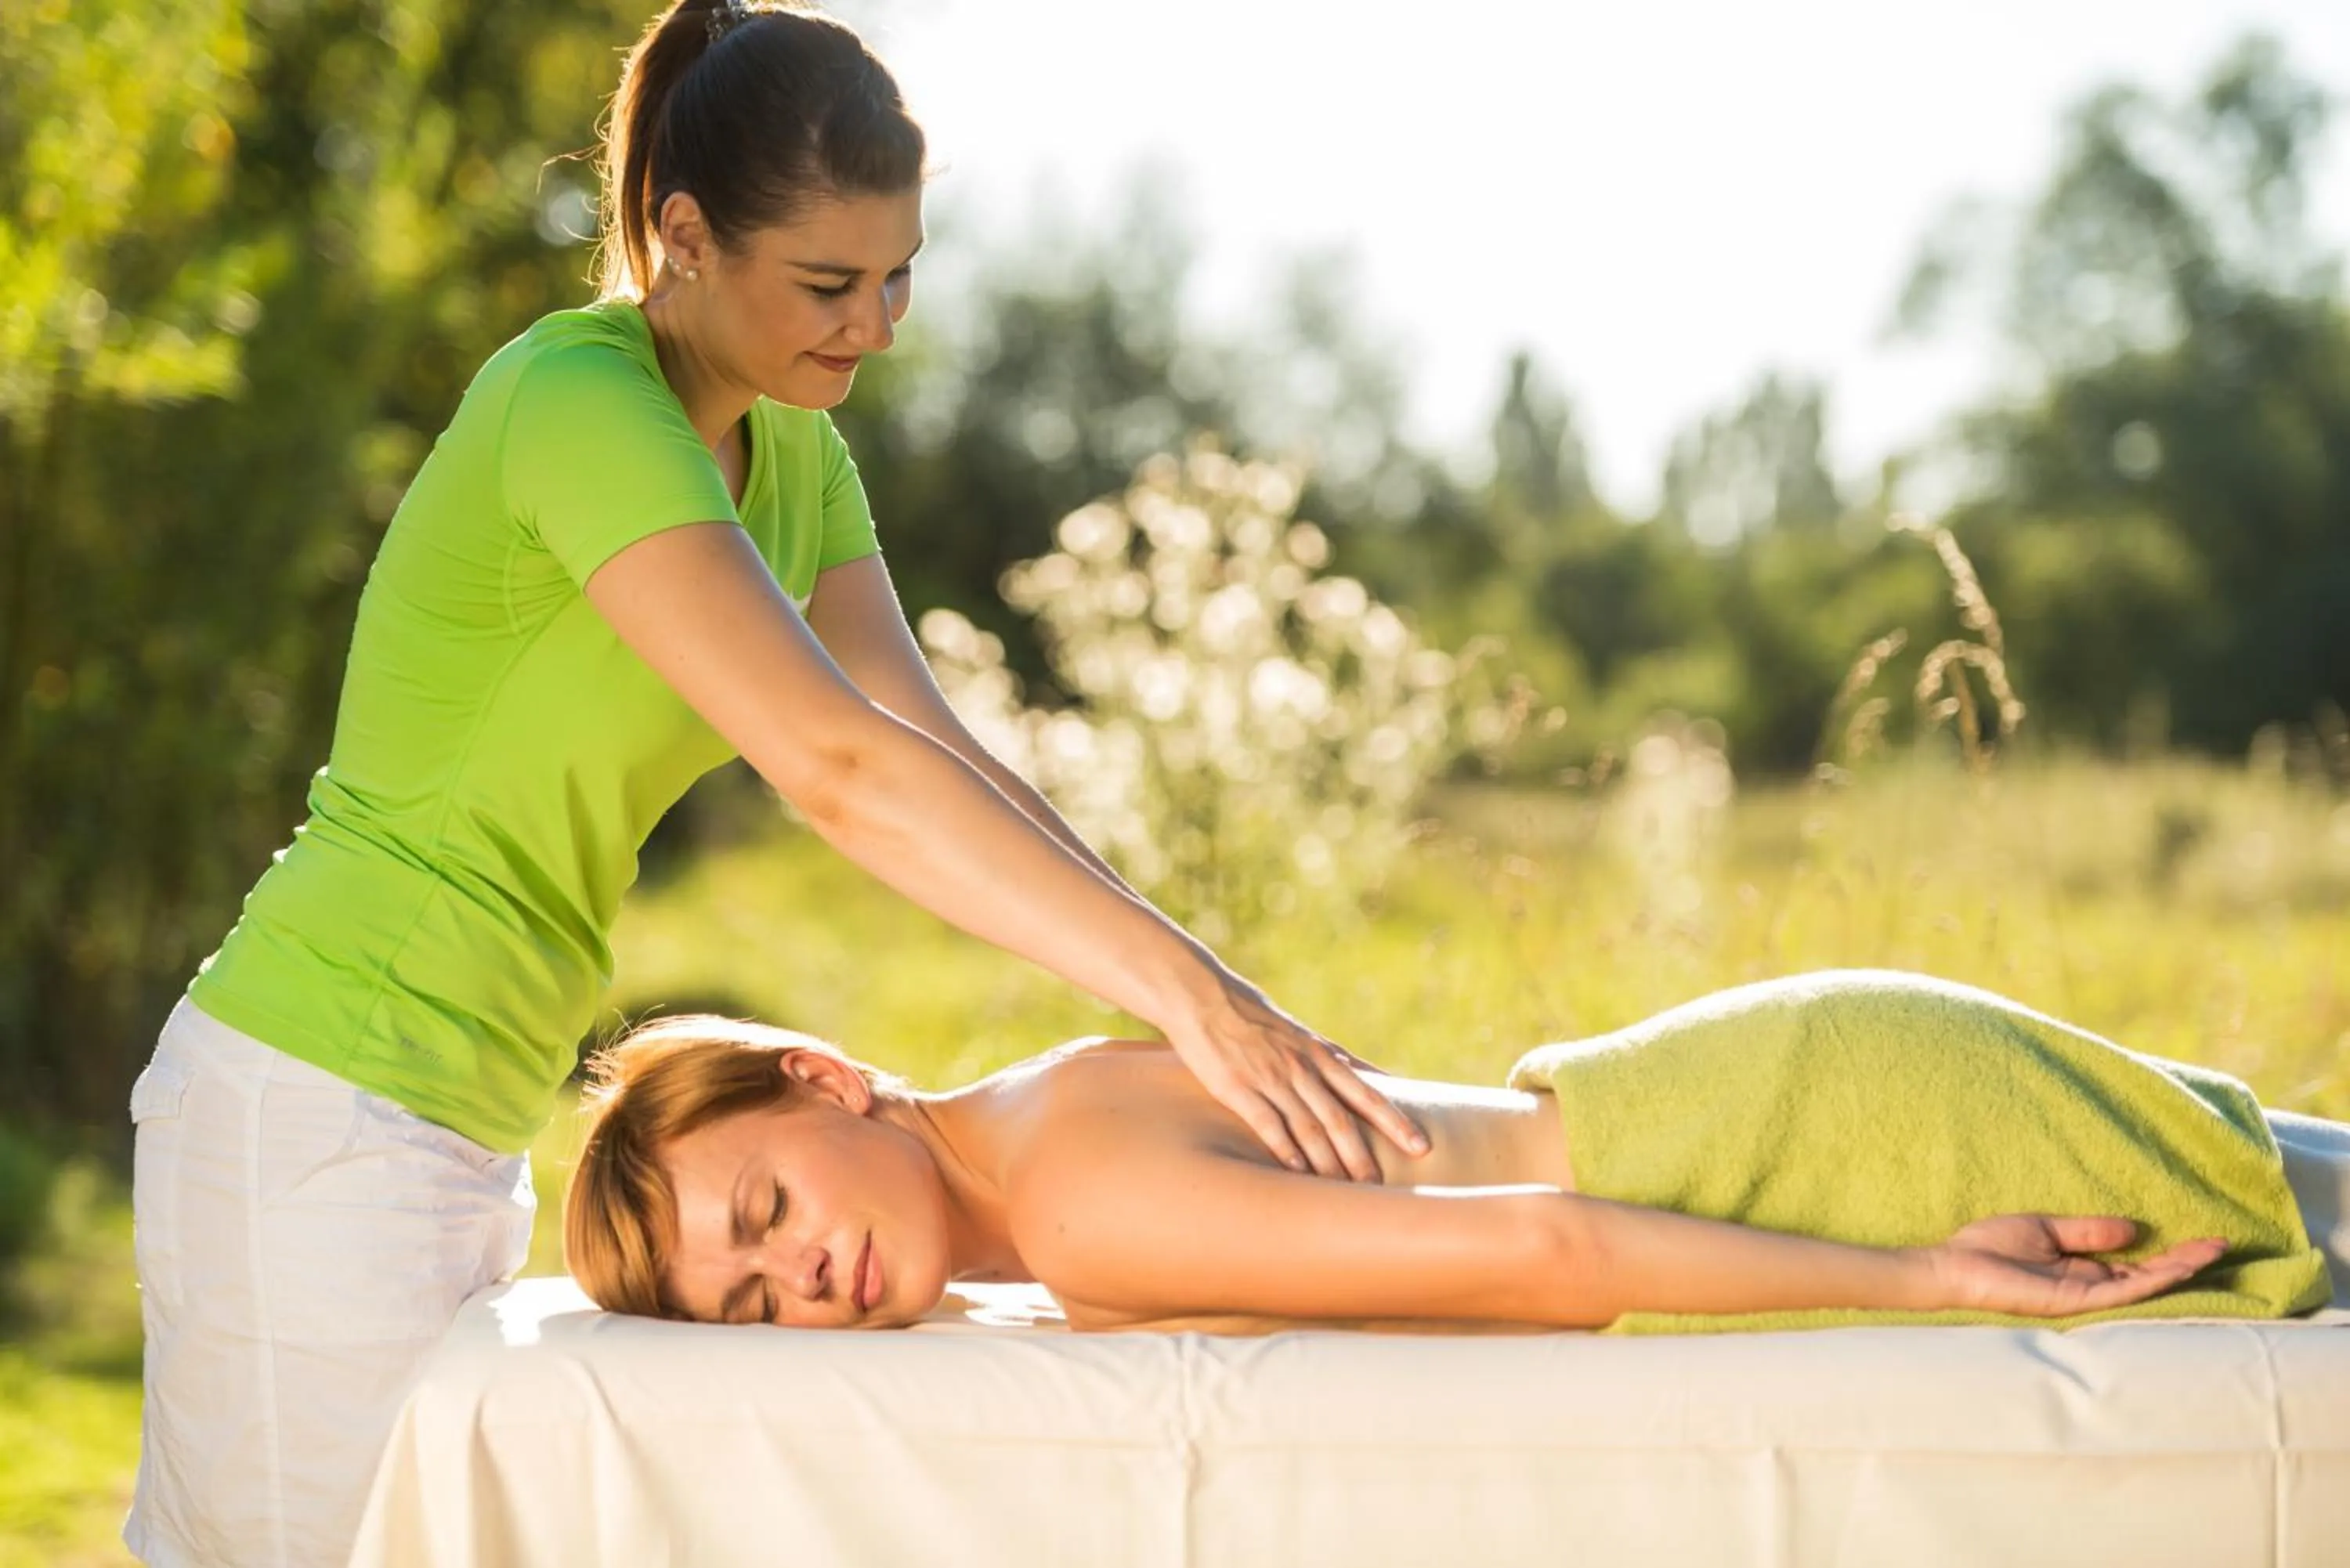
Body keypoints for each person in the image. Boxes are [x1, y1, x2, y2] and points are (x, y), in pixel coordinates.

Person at [122, 3, 1426, 1563]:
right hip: (316, 1098)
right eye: (827, 283)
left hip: (452, 1120)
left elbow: (935, 748)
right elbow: (837, 768)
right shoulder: (578, 402)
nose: (872, 324)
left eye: (897, 276)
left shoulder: (794, 445)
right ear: (681, 237)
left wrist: (1198, 1001)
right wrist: (1195, 1005)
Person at [564, 969, 2337, 1336]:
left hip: (1786, 1143)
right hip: (1758, 1080)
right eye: (745, 1302)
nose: (798, 1275)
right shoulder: (1028, 1115)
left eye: (766, 1204)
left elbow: (1544, 1252)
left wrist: (1922, 1275)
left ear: (822, 1074)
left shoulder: (1078, 1203)